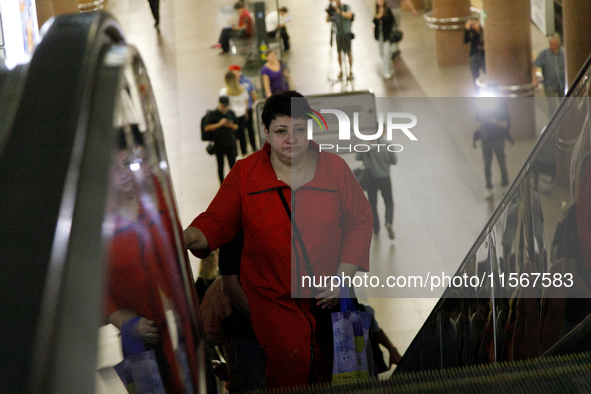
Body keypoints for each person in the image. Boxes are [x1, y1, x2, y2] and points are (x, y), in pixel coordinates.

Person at [183, 91, 373, 388]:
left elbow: (359, 220)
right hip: (276, 313)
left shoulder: (333, 169)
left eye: (299, 129)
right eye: (281, 131)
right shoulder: (245, 175)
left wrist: (342, 277)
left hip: (328, 308)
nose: (292, 140)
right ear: (265, 132)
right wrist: (184, 238)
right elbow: (216, 221)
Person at [356, 136, 397, 239]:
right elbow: (394, 161)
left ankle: (376, 228)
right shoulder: (387, 144)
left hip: (371, 179)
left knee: (372, 204)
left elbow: (357, 157)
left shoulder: (366, 145)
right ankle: (388, 222)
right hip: (385, 178)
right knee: (388, 202)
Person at [473, 96, 513, 200]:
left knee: (501, 162)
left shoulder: (502, 105)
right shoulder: (483, 103)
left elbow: (505, 123)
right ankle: (488, 188)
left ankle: (505, 185)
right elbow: (478, 118)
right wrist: (482, 117)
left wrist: (493, 121)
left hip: (498, 139)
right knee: (487, 164)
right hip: (486, 139)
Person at [203, 96, 238, 184]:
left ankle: (235, 183)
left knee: (233, 165)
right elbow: (206, 127)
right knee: (220, 165)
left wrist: (229, 125)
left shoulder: (231, 113)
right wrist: (219, 124)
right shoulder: (213, 114)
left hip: (230, 144)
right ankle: (222, 184)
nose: (225, 108)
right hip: (219, 144)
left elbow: (236, 126)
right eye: (223, 106)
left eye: (226, 106)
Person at [533, 34, 565, 115]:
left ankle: (565, 122)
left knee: (565, 104)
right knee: (552, 106)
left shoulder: (563, 53)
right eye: (550, 44)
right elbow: (535, 65)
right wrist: (534, 80)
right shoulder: (545, 54)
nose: (551, 46)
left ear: (557, 44)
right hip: (550, 84)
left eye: (553, 44)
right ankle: (553, 124)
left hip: (562, 83)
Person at [229, 64, 258, 152]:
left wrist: (255, 104)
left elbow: (252, 93)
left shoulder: (246, 81)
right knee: (239, 132)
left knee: (250, 128)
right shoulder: (231, 83)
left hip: (247, 108)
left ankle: (254, 146)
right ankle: (242, 150)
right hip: (236, 112)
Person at [220, 71, 249, 156]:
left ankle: (234, 154)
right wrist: (246, 112)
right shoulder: (242, 89)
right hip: (241, 114)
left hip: (231, 116)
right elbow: (246, 101)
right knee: (242, 135)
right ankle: (244, 152)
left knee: (232, 136)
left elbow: (222, 105)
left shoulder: (224, 91)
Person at [326, 0, 354, 80]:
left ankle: (350, 71)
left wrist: (339, 12)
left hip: (346, 33)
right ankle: (341, 70)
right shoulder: (333, 9)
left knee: (348, 52)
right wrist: (329, 12)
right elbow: (327, 20)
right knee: (339, 53)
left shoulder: (345, 7)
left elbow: (350, 15)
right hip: (338, 34)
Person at [374, 0, 396, 79]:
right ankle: (389, 66)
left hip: (386, 35)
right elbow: (374, 21)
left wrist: (382, 18)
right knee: (382, 52)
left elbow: (391, 21)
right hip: (379, 35)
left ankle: (386, 70)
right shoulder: (376, 11)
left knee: (386, 52)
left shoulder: (388, 10)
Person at [464, 19, 486, 89]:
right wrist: (467, 30)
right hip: (474, 55)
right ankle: (477, 91)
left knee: (487, 72)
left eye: (476, 23)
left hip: (483, 55)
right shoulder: (472, 33)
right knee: (475, 76)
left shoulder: (483, 31)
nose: (475, 26)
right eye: (473, 24)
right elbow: (466, 41)